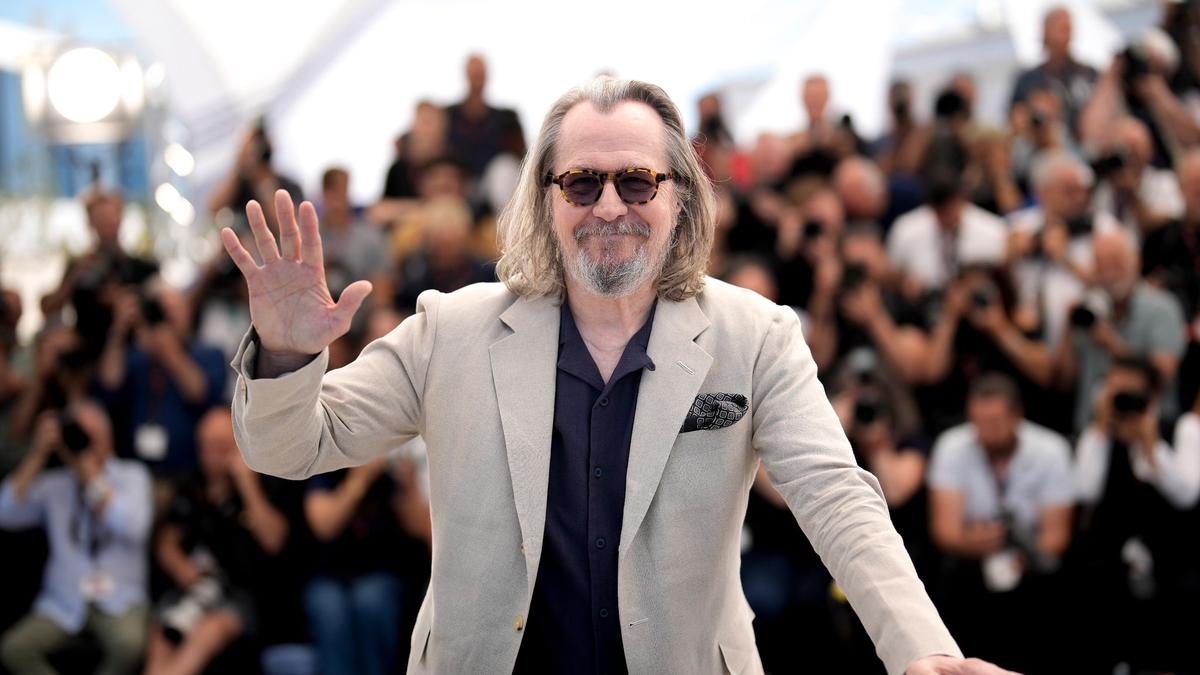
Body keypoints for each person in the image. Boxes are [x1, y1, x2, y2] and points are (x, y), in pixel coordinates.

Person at [221, 76, 1018, 675]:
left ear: (679, 199)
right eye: (582, 182)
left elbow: (838, 496)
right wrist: (288, 356)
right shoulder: (450, 331)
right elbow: (291, 447)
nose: (609, 205)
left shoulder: (757, 335)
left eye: (636, 180)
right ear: (546, 199)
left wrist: (926, 655)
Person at [926, 374, 1073, 673]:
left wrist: (1026, 555)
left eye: (995, 422)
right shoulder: (952, 446)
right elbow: (944, 531)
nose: (986, 432)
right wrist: (971, 543)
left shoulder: (1051, 450)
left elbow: (1057, 537)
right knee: (950, 580)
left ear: (1018, 415)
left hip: (1031, 562)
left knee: (1055, 590)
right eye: (978, 422)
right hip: (972, 560)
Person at [0, 401, 152, 675]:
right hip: (63, 600)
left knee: (129, 645)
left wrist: (89, 475)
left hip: (119, 598)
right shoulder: (55, 483)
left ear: (110, 438)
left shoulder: (132, 476)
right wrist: (37, 454)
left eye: (91, 436)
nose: (85, 444)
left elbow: (133, 527)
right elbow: (5, 513)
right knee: (13, 649)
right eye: (79, 437)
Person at [1069, 357, 1200, 672]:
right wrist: (1101, 428)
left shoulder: (1182, 428)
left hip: (1170, 552)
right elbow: (1083, 490)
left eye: (1131, 391)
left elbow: (1186, 495)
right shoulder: (1097, 435)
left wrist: (1148, 440)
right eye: (1115, 388)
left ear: (1152, 394)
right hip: (1111, 554)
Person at [143, 407, 292, 675]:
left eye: (221, 447)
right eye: (205, 447)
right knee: (162, 633)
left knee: (208, 631)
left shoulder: (262, 481)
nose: (212, 456)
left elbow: (274, 540)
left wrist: (246, 482)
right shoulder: (192, 485)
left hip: (241, 594)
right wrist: (180, 566)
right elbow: (166, 541)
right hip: (194, 589)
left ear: (240, 444)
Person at [1054, 229, 1187, 432]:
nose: (1108, 273)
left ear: (1136, 261)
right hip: (1092, 430)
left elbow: (1162, 375)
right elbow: (1063, 381)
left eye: (1115, 263)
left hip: (1148, 431)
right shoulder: (1089, 310)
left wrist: (1112, 344)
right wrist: (1068, 326)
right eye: (1100, 265)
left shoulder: (1163, 308)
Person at [1009, 7, 1097, 135]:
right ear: (1045, 32)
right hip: (1047, 148)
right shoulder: (1028, 80)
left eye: (1068, 28)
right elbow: (1015, 121)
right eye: (1060, 28)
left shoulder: (1088, 74)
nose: (1066, 34)